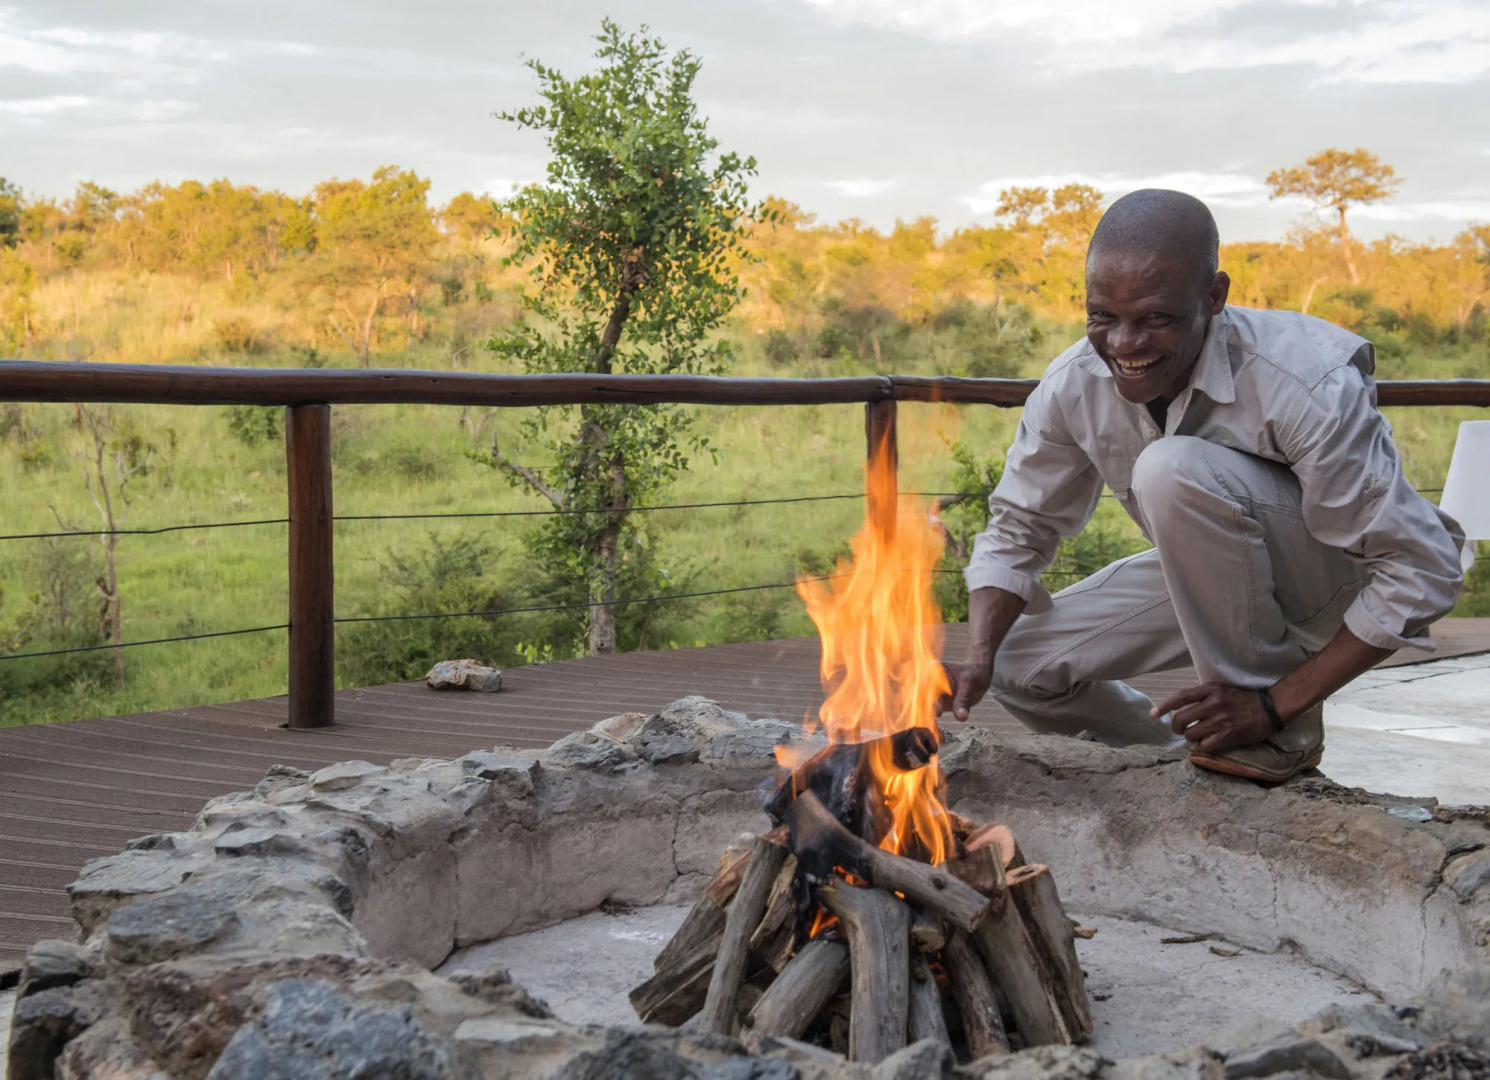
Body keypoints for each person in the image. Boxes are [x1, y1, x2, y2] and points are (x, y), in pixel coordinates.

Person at [938, 189, 1465, 783]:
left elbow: (1423, 570)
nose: (1124, 345)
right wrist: (978, 654)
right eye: (1102, 317)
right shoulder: (1073, 384)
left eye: (1156, 318)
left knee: (1169, 467)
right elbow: (1019, 529)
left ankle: (1274, 733)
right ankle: (1183, 758)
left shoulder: (1301, 378)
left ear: (1215, 295)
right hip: (1221, 580)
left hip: (1336, 585)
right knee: (1020, 665)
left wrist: (1274, 704)